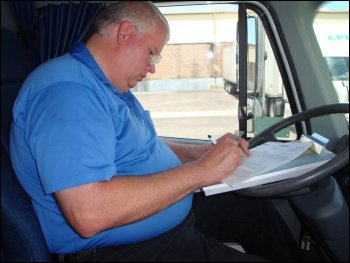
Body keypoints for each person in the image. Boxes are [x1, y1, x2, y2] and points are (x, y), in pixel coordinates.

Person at [10, 1, 302, 262]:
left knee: (253, 209)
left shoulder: (108, 86)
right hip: (120, 248)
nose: (151, 68)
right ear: (125, 33)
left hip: (164, 216)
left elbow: (138, 145)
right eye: (152, 53)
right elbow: (89, 213)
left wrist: (196, 154)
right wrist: (200, 172)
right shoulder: (67, 93)